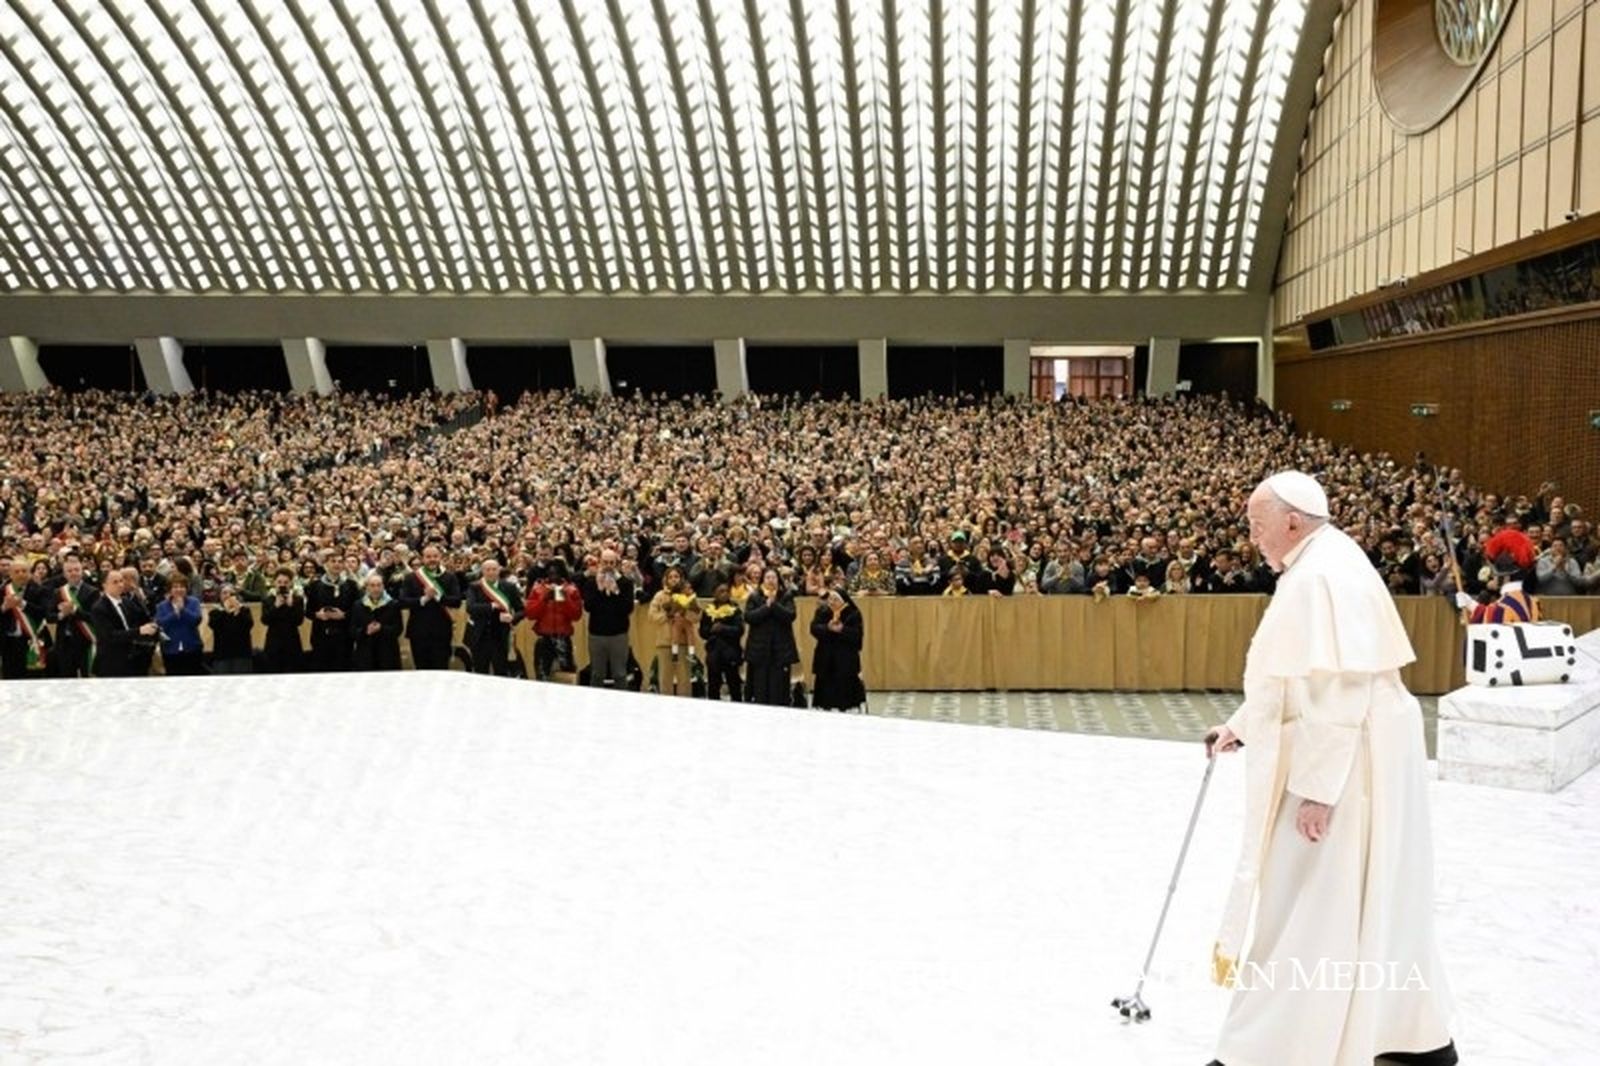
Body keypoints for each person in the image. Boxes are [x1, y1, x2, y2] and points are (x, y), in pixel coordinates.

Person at [1204, 471, 1455, 1066]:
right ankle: (1411, 1038)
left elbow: (1337, 688)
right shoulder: (1324, 562)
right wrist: (1244, 723)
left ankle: (1271, 1049)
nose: (1252, 537)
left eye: (1257, 525)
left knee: (1315, 901)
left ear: (1292, 521)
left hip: (1347, 766)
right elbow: (1295, 675)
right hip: (1360, 753)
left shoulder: (1319, 575)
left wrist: (1318, 791)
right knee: (1372, 898)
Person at [398, 542, 462, 670]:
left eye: (435, 556)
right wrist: (424, 599)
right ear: (423, 558)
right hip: (418, 631)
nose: (432, 559)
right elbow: (403, 602)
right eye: (428, 556)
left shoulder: (449, 577)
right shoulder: (411, 577)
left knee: (442, 668)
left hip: (442, 631)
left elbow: (457, 601)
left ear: (440, 557)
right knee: (422, 669)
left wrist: (438, 597)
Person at [579, 548, 635, 688]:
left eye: (612, 562)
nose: (608, 566)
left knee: (620, 674)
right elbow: (588, 607)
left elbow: (627, 609)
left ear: (616, 564)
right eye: (605, 562)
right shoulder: (591, 583)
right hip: (597, 634)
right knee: (597, 674)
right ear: (600, 563)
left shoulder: (625, 583)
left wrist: (615, 591)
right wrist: (599, 590)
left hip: (618, 635)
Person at [742, 567, 798, 706]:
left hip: (780, 649)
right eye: (767, 577)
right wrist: (766, 607)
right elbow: (749, 617)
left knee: (778, 688)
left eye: (773, 577)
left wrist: (774, 605)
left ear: (778, 579)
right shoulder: (755, 596)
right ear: (763, 580)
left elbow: (790, 616)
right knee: (760, 687)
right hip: (759, 648)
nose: (771, 580)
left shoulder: (786, 596)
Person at [90, 568, 156, 678]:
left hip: (132, 659)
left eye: (121, 581)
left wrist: (141, 598)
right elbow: (110, 636)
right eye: (115, 582)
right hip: (112, 662)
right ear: (104, 585)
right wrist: (139, 631)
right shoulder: (99, 608)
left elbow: (143, 618)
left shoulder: (127, 602)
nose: (120, 585)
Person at [525, 558, 583, 681]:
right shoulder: (538, 588)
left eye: (556, 573)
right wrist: (544, 599)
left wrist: (563, 598)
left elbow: (576, 615)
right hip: (544, 638)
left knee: (566, 676)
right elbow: (530, 614)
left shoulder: (571, 589)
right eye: (550, 574)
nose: (553, 577)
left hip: (563, 638)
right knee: (542, 676)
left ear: (562, 574)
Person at [465, 557, 524, 677]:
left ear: (499, 570)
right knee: (480, 672)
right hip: (479, 636)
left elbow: (522, 610)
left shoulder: (509, 587)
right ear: (482, 571)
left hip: (500, 637)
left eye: (494, 569)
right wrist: (491, 606)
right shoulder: (475, 587)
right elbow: (470, 608)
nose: (491, 572)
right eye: (487, 570)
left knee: (501, 672)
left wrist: (512, 617)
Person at [646, 565, 700, 697]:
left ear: (681, 579)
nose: (673, 579)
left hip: (683, 642)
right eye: (670, 577)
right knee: (665, 679)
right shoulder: (659, 596)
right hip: (664, 642)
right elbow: (651, 616)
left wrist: (684, 612)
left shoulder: (689, 595)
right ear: (665, 580)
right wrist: (667, 615)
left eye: (676, 576)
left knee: (684, 679)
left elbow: (697, 617)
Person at [809, 588, 865, 712]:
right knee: (825, 694)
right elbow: (814, 628)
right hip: (825, 657)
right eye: (830, 599)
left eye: (835, 599)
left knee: (845, 694)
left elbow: (857, 635)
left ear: (843, 601)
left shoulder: (853, 613)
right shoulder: (822, 611)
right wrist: (827, 628)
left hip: (845, 659)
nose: (832, 602)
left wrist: (842, 630)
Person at [50, 554, 101, 678]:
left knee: (87, 679)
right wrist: (62, 614)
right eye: (69, 571)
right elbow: (49, 616)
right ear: (64, 574)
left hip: (85, 642)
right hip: (64, 643)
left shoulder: (93, 592)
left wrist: (75, 611)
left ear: (82, 572)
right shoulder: (58, 592)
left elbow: (95, 618)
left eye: (76, 570)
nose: (73, 573)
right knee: (66, 680)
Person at [1, 557, 51, 679]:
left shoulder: (40, 590)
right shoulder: (2, 591)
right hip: (9, 643)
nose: (21, 574)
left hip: (34, 641)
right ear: (10, 574)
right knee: (11, 681)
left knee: (34, 681)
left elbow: (45, 612)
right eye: (17, 572)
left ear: (30, 573)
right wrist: (4, 607)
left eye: (24, 571)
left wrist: (23, 604)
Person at [305, 561, 357, 672]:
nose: (336, 564)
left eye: (339, 561)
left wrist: (344, 615)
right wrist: (317, 615)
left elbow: (357, 610)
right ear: (325, 565)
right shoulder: (315, 585)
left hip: (344, 637)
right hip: (321, 635)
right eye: (332, 561)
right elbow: (308, 611)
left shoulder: (351, 585)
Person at [698, 582, 744, 702]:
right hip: (714, 654)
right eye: (721, 591)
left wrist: (723, 628)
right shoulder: (708, 610)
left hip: (731, 653)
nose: (724, 594)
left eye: (726, 591)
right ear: (714, 594)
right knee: (713, 686)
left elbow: (739, 630)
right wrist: (711, 630)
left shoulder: (735, 609)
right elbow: (702, 632)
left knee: (734, 686)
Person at [350, 572, 403, 671]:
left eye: (379, 585)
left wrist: (381, 628)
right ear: (367, 587)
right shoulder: (358, 605)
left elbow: (398, 629)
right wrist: (365, 631)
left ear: (383, 586)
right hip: (365, 654)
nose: (376, 589)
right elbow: (352, 630)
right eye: (372, 585)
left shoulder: (393, 604)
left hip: (387, 653)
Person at [153, 575, 204, 676]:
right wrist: (174, 614)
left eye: (182, 586)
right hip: (170, 649)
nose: (179, 589)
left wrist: (183, 610)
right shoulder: (161, 606)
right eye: (175, 587)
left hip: (192, 648)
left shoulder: (194, 602)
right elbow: (161, 624)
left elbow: (196, 620)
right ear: (170, 590)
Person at [260, 567, 306, 673]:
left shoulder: (297, 600)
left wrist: (291, 606)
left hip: (292, 642)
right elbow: (264, 620)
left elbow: (299, 621)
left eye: (286, 582)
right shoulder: (268, 600)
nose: (282, 585)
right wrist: (276, 606)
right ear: (274, 583)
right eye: (279, 582)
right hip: (273, 643)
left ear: (290, 584)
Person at [207, 585, 256, 674]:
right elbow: (214, 626)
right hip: (222, 655)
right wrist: (226, 611)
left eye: (231, 593)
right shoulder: (215, 612)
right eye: (224, 593)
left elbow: (248, 625)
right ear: (219, 596)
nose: (228, 595)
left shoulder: (244, 610)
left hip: (242, 655)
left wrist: (237, 612)